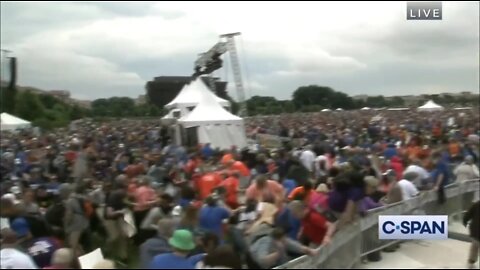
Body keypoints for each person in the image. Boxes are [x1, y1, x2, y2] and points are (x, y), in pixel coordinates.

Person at [463, 200, 479, 269]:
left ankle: (471, 262)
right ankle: (471, 262)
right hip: (477, 230)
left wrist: (465, 221)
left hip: (476, 230)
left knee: (475, 245)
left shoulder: (477, 204)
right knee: (475, 245)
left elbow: (468, 214)